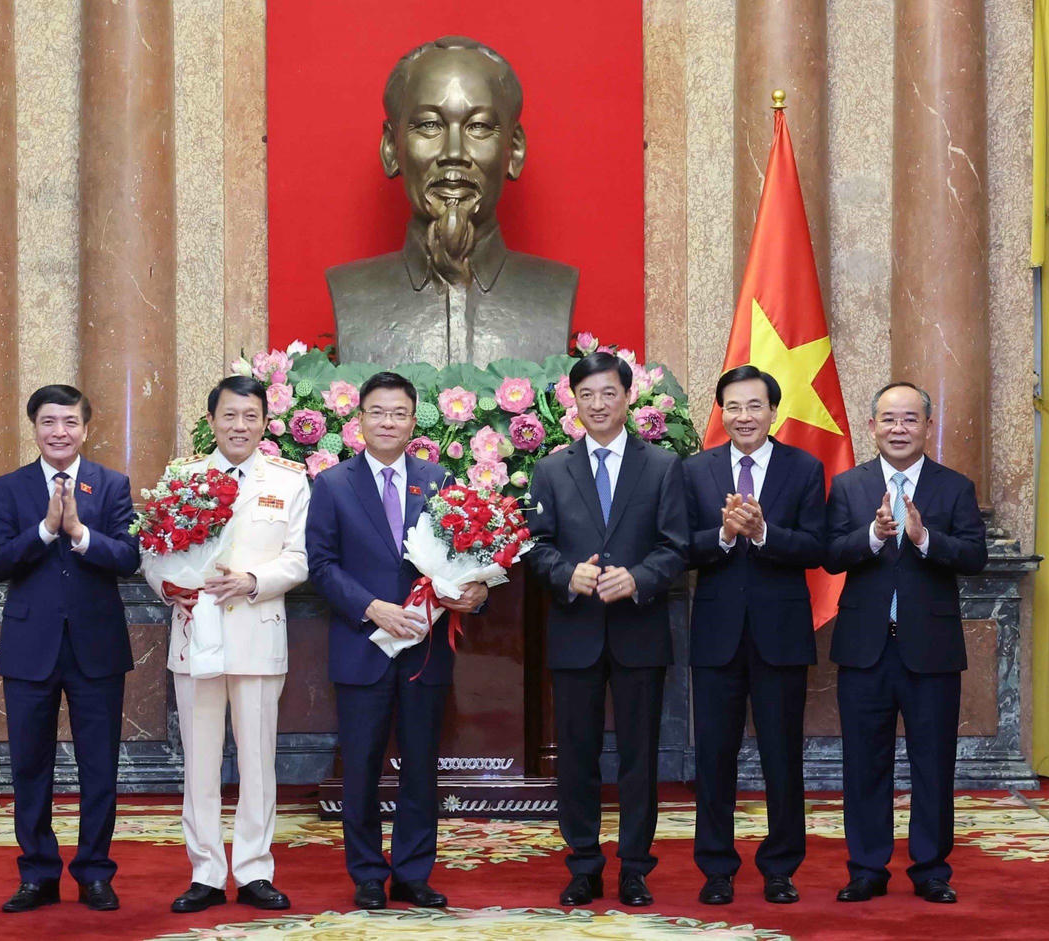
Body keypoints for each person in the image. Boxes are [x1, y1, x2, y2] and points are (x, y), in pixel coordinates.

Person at [306, 372, 487, 910]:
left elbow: (465, 552)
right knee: (360, 767)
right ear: (359, 419)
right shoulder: (332, 485)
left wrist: (477, 590)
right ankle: (366, 873)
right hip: (362, 644)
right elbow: (321, 565)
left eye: (399, 413)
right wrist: (371, 607)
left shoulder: (438, 480)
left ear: (413, 422)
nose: (388, 422)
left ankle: (412, 872)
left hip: (424, 648)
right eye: (378, 412)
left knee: (421, 766)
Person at [526, 351, 688, 907]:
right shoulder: (551, 470)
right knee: (577, 757)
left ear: (628, 397)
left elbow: (677, 546)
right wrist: (565, 575)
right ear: (573, 401)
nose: (598, 404)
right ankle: (584, 865)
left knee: (641, 757)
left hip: (639, 630)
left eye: (608, 393)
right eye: (587, 395)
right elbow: (534, 546)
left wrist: (639, 578)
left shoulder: (662, 465)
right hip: (576, 631)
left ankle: (636, 867)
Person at [824, 381, 987, 904]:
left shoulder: (954, 487)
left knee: (933, 763)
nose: (899, 428)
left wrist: (924, 539)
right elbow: (830, 554)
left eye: (910, 419)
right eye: (889, 419)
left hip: (931, 649)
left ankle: (931, 870)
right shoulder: (848, 486)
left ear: (927, 426)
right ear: (872, 425)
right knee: (863, 764)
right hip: (864, 649)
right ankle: (866, 869)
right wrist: (874, 537)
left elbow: (975, 557)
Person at [153, 375, 310, 914]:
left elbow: (299, 558)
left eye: (250, 416)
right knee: (198, 761)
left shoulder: (289, 481)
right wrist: (169, 587)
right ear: (211, 420)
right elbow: (153, 552)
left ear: (265, 423)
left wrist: (253, 581)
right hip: (195, 632)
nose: (239, 426)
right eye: (229, 415)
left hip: (257, 633)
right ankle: (205, 873)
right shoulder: (183, 478)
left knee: (258, 762)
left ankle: (254, 870)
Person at [327, 35, 577, 367]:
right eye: (429, 126)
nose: (454, 153)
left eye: (479, 126)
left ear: (514, 150)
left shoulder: (555, 290)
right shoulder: (351, 292)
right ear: (391, 148)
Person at [0, 384, 140, 913]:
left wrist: (78, 532)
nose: (59, 432)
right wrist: (47, 531)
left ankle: (94, 873)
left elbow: (128, 558)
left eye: (70, 422)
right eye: (49, 422)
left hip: (97, 646)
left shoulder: (111, 484)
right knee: (30, 766)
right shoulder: (9, 488)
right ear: (34, 427)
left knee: (100, 767)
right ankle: (38, 875)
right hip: (30, 647)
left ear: (86, 429)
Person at [683, 365, 826, 906]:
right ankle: (716, 868)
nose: (744, 416)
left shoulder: (804, 468)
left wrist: (765, 533)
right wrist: (723, 535)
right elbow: (680, 547)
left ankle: (781, 868)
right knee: (713, 757)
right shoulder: (696, 470)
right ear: (721, 412)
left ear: (773, 411)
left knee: (782, 757)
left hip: (780, 634)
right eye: (734, 407)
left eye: (754, 406)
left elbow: (817, 547)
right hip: (716, 635)